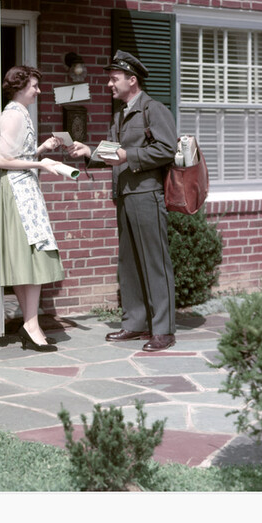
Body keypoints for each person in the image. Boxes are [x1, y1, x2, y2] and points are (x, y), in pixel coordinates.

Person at [67, 50, 178, 352]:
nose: (109, 84)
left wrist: (131, 155)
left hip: (146, 194)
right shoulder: (120, 113)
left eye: (114, 79)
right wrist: (88, 151)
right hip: (125, 196)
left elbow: (167, 149)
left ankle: (164, 329)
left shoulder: (153, 110)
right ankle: (135, 323)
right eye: (109, 79)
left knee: (155, 261)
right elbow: (113, 153)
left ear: (132, 80)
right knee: (129, 263)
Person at [0, 65, 65, 353]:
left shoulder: (20, 113)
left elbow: (17, 154)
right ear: (20, 87)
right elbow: (0, 160)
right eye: (34, 86)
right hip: (17, 191)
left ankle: (30, 323)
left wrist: (41, 149)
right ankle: (32, 325)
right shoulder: (12, 115)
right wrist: (40, 163)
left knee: (31, 257)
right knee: (32, 257)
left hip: (25, 189)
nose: (38, 91)